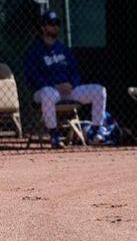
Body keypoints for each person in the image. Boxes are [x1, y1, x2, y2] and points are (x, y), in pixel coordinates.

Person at [24, 10, 108, 148]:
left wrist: (71, 84)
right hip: (45, 92)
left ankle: (95, 132)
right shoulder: (34, 51)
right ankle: (54, 135)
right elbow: (32, 76)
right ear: (43, 27)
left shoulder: (64, 49)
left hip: (68, 91)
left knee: (99, 90)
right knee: (48, 93)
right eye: (51, 23)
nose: (55, 26)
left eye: (57, 23)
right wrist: (54, 85)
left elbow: (75, 71)